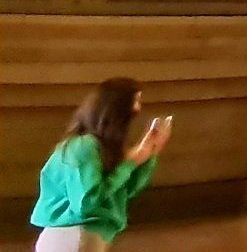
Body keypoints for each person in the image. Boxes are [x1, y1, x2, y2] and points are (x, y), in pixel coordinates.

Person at [30, 78, 169, 250]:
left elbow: (126, 190)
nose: (137, 109)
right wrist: (131, 162)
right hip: (74, 237)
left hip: (85, 238)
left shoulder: (100, 149)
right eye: (135, 101)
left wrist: (150, 153)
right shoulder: (83, 146)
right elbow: (86, 202)